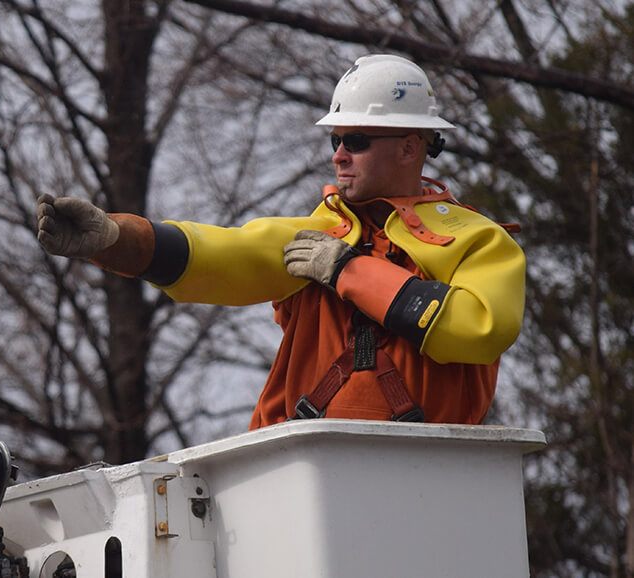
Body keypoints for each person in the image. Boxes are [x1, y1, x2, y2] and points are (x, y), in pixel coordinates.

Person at [35, 54, 525, 429]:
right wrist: (117, 239)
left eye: (356, 141)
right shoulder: (319, 234)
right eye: (335, 140)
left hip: (429, 469)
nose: (339, 156)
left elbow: (479, 328)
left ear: (409, 146)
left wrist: (349, 271)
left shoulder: (477, 240)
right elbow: (226, 254)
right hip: (307, 465)